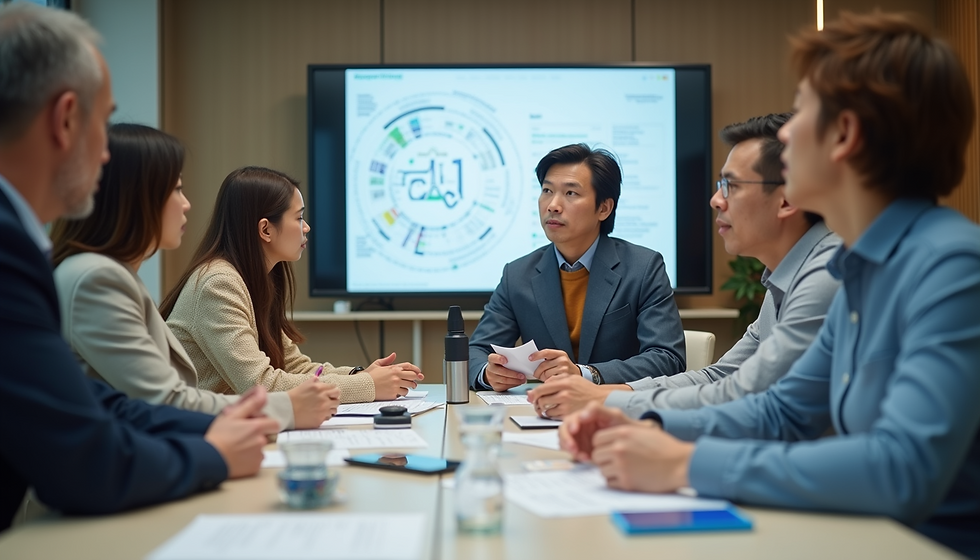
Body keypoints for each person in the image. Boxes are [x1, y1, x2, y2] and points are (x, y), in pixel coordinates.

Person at [559, 12, 980, 557]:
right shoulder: (860, 265)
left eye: (801, 111)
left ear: (845, 135)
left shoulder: (950, 264)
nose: (784, 133)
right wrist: (641, 419)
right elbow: (781, 410)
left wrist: (685, 462)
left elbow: (901, 469)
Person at [0, 3, 278, 532]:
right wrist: (216, 453)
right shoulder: (19, 252)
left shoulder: (28, 247)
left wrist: (220, 427)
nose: (107, 156)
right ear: (64, 120)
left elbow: (99, 404)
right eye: (103, 125)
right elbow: (83, 457)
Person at [528, 114, 841, 418]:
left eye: (731, 186)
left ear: (786, 200)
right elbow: (719, 377)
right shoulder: (782, 283)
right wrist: (602, 395)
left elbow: (744, 393)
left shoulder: (827, 273)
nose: (716, 200)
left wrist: (604, 400)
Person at [50, 123, 340, 431]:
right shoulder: (98, 279)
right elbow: (167, 400)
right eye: (175, 190)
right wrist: (289, 408)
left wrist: (360, 379)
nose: (187, 204)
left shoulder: (112, 275)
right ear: (136, 198)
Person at [161, 166, 424, 403]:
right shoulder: (218, 284)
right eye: (298, 218)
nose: (306, 227)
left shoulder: (255, 278)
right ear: (265, 230)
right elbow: (262, 385)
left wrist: (360, 374)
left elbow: (294, 366)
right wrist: (367, 385)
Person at [469, 143, 686, 392]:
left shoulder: (643, 267)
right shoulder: (518, 274)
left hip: (618, 412)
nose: (553, 205)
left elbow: (668, 357)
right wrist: (488, 374)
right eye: (547, 190)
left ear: (604, 208)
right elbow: (476, 352)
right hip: (543, 412)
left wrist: (586, 374)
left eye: (570, 193)